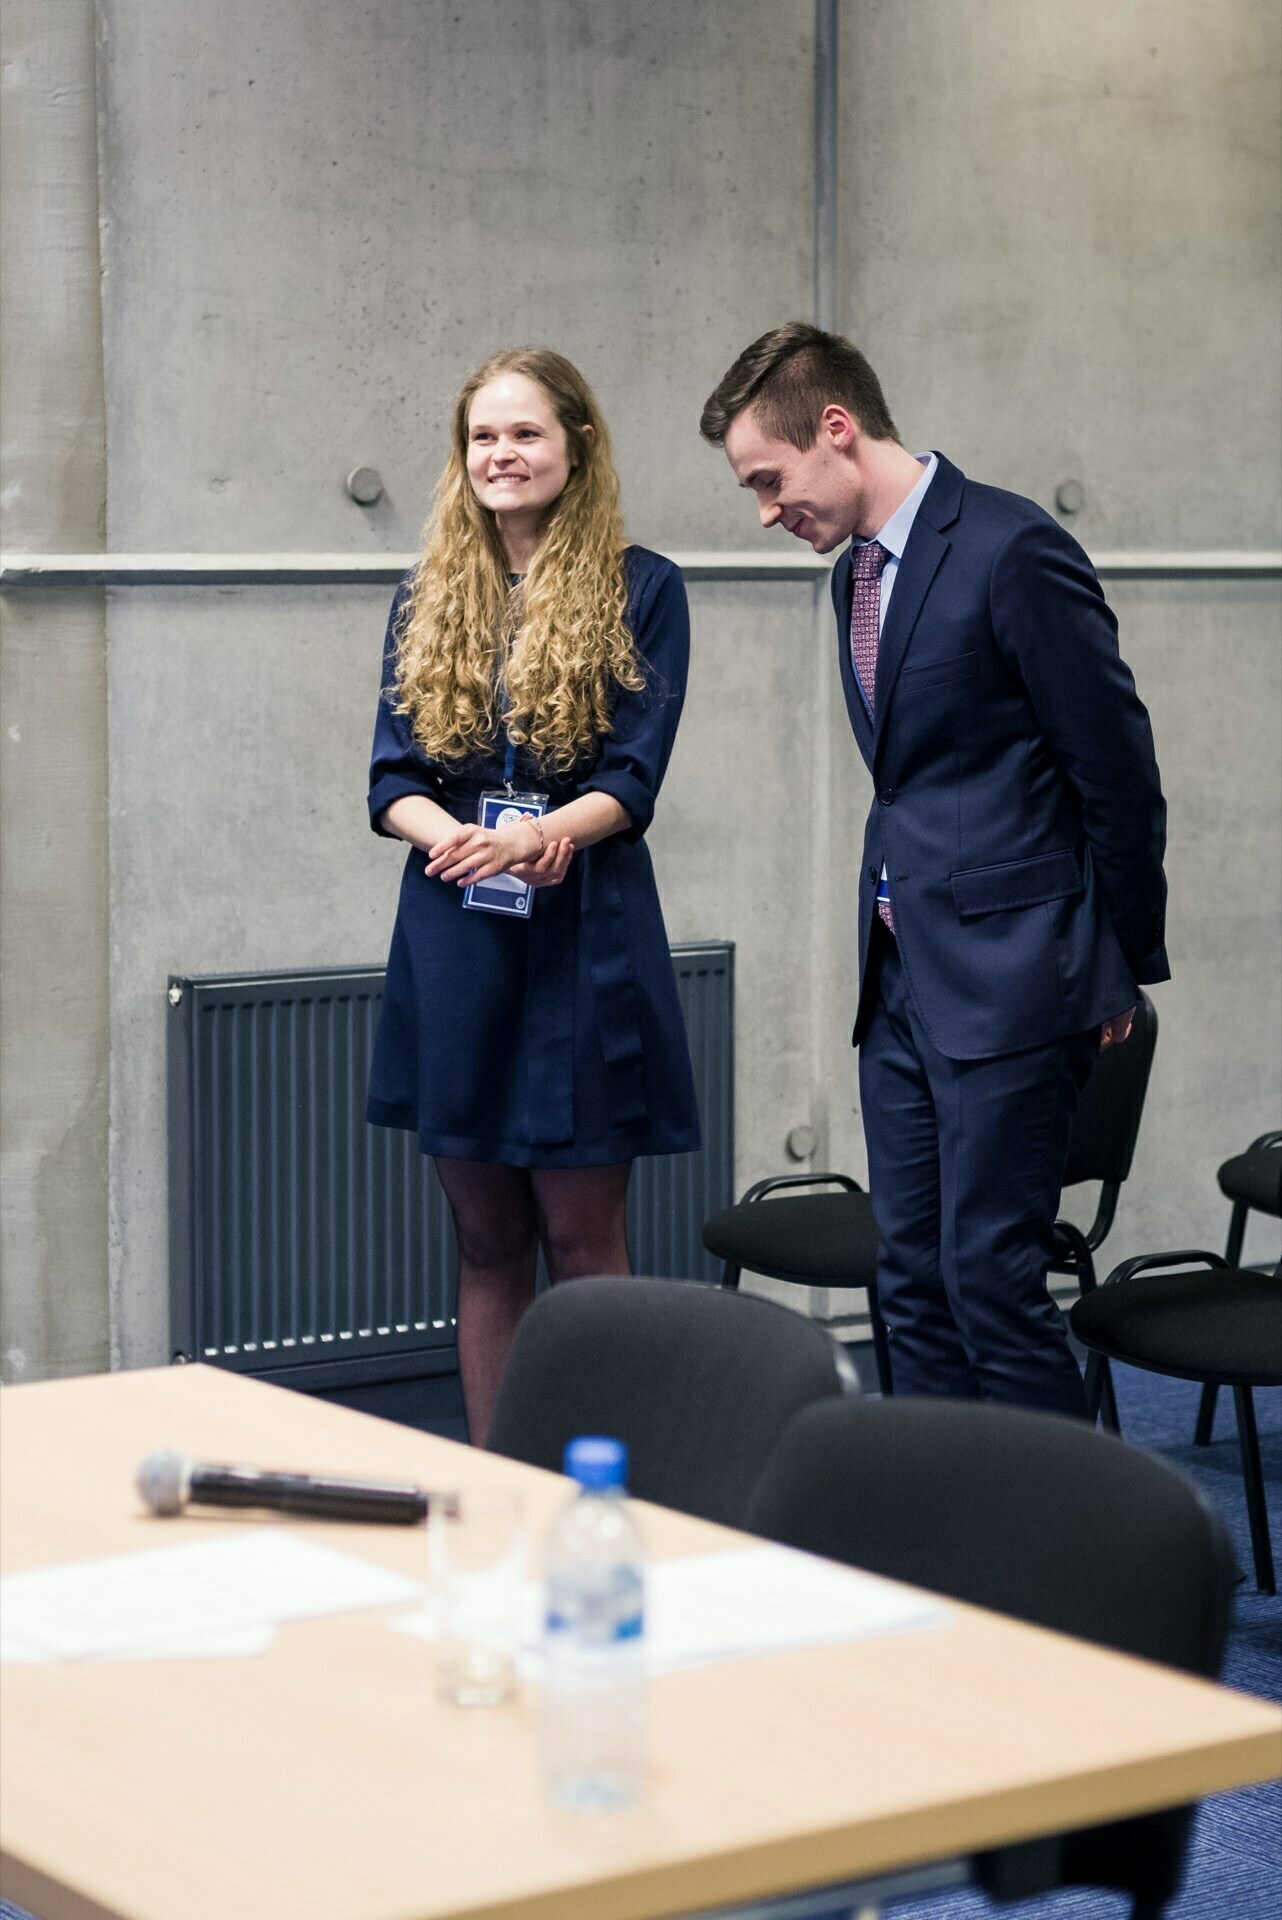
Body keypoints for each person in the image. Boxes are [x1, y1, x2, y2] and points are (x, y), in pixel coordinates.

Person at [700, 322, 1168, 1416]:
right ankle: (940, 1535)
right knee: (906, 1281)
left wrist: (1116, 966)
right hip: (902, 981)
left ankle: (1057, 1567)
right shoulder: (853, 578)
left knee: (989, 1280)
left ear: (835, 428)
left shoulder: (1011, 548)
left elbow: (1118, 774)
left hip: (1018, 976)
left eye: (769, 480)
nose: (768, 512)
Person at [368, 347, 699, 1444]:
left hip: (581, 929)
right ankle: (500, 1481)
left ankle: (610, 1492)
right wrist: (455, 840)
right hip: (456, 927)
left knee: (584, 1241)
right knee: (484, 1242)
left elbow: (633, 775)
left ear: (578, 445)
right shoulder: (426, 595)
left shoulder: (643, 586)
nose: (500, 455)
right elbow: (392, 780)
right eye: (483, 438)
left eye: (525, 434)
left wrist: (549, 835)